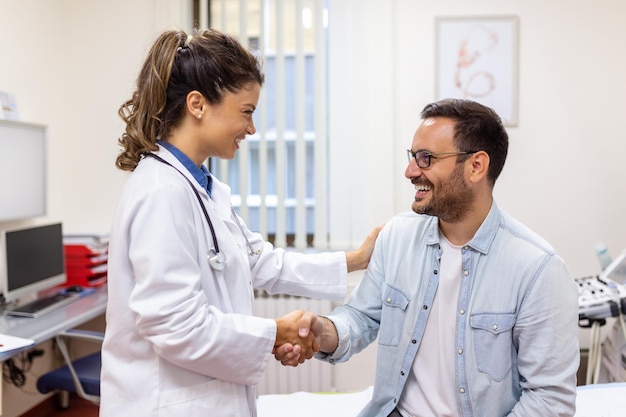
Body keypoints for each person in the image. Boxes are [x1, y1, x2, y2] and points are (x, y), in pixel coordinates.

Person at [100, 28, 380, 417]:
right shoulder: (162, 192)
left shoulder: (201, 188)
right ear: (198, 104)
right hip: (165, 403)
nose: (251, 129)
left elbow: (261, 262)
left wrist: (357, 258)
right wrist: (273, 333)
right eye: (246, 112)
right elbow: (175, 326)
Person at [277, 98, 580, 416]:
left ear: (476, 166)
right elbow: (362, 317)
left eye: (426, 159)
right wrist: (322, 332)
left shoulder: (538, 269)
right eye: (412, 157)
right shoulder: (397, 236)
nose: (410, 171)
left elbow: (549, 399)